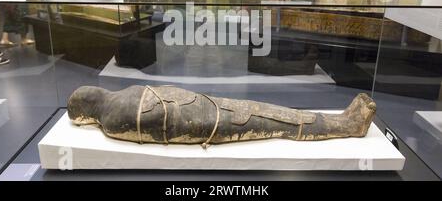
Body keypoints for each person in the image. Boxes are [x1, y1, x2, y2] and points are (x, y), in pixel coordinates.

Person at [68, 85, 377, 147]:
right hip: (199, 116)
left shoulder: (112, 114)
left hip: (198, 113)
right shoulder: (115, 110)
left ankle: (345, 123)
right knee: (270, 120)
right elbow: (155, 127)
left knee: (267, 117)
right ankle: (347, 125)